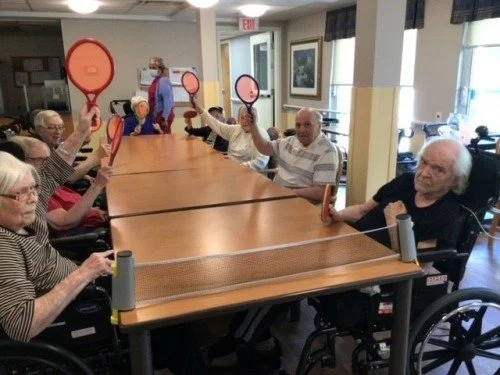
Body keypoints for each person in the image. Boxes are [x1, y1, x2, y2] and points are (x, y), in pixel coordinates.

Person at [0, 104, 114, 343]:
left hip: (81, 280)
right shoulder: (5, 247)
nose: (34, 197)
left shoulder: (24, 210)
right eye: (23, 193)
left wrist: (82, 128)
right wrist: (83, 274)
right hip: (77, 306)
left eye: (34, 188)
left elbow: (54, 170)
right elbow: (22, 323)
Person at [327, 137, 472, 251]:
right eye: (424, 162)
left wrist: (395, 227)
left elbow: (415, 266)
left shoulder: (447, 211)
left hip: (380, 273)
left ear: (455, 180)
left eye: (438, 169)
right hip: (354, 245)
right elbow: (362, 211)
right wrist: (338, 215)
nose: (425, 173)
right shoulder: (405, 181)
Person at [11, 136, 112, 237]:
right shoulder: (32, 191)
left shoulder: (44, 177)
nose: (47, 165)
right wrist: (96, 186)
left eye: (48, 159)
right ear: (20, 162)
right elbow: (65, 221)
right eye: (40, 160)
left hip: (97, 217)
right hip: (85, 233)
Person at [248, 107, 338, 202]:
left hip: (300, 203)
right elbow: (264, 147)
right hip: (278, 196)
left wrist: (289, 192)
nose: (302, 130)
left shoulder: (327, 151)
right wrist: (253, 126)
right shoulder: (290, 141)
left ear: (319, 126)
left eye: (307, 124)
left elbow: (321, 192)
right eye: (298, 125)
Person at [33, 109, 110, 185]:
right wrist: (96, 157)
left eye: (60, 127)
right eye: (52, 127)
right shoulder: (37, 153)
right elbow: (69, 178)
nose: (58, 132)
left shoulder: (51, 145)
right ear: (40, 129)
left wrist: (84, 176)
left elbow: (65, 167)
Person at [193, 99, 270, 170]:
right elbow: (218, 126)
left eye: (248, 118)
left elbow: (261, 162)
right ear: (238, 119)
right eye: (242, 118)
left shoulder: (261, 134)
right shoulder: (236, 129)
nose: (245, 121)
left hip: (248, 173)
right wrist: (200, 110)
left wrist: (239, 167)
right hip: (230, 168)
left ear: (255, 119)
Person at [148, 57, 175, 134]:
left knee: (163, 139)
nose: (151, 70)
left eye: (154, 67)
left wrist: (165, 118)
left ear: (161, 68)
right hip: (156, 115)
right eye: (150, 68)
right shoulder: (156, 80)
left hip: (162, 116)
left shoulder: (163, 80)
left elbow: (168, 101)